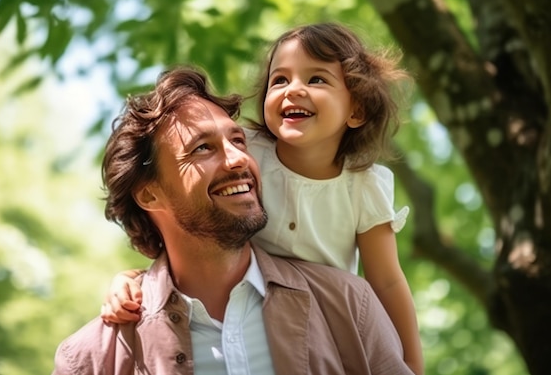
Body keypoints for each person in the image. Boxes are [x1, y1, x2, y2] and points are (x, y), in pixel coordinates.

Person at [52, 67, 414, 375]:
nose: (238, 159)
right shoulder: (90, 359)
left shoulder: (350, 307)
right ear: (149, 195)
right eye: (203, 148)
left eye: (239, 141)